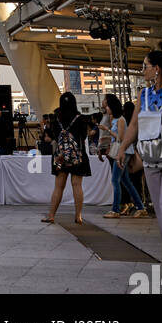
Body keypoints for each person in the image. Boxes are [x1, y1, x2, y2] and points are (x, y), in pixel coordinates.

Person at [119, 49, 162, 286]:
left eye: (145, 66)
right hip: (150, 158)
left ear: (157, 68)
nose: (143, 70)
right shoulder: (144, 95)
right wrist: (123, 148)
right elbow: (134, 125)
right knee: (160, 213)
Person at [41, 92, 91, 226]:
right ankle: (78, 216)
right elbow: (84, 136)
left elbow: (54, 136)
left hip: (61, 157)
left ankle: (51, 215)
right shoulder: (80, 118)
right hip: (77, 157)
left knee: (58, 187)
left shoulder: (56, 119)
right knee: (77, 186)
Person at [100, 92, 147, 221]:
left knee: (116, 180)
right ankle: (140, 207)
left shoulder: (120, 120)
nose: (106, 108)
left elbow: (121, 138)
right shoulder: (114, 119)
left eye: (108, 106)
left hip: (123, 152)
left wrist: (107, 130)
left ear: (113, 107)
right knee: (125, 181)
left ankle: (116, 209)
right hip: (122, 151)